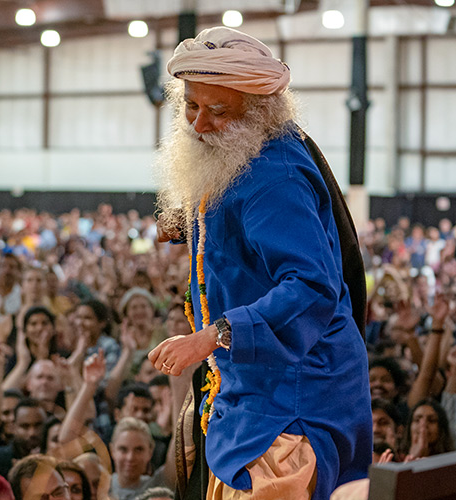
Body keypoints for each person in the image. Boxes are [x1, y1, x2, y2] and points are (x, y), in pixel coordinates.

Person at [148, 26, 371, 500]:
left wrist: (211, 336)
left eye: (218, 110)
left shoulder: (274, 175)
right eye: (191, 106)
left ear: (260, 111)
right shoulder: (244, 154)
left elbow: (311, 285)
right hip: (254, 392)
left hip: (293, 404)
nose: (199, 124)